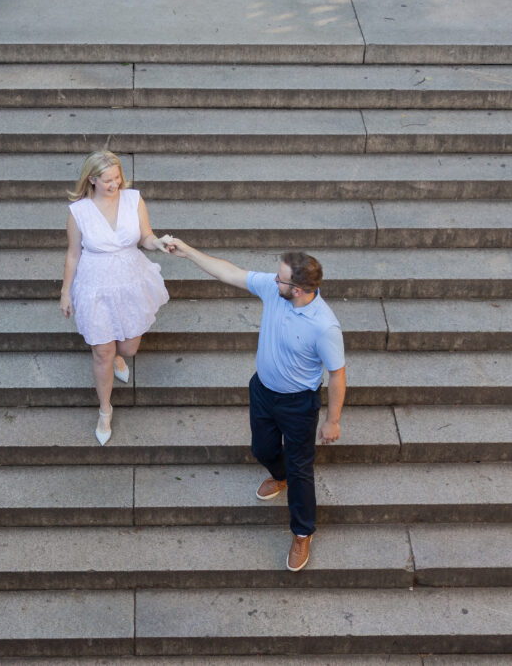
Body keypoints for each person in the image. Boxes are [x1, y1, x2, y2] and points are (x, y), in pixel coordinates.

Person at [165, 238, 346, 572]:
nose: (274, 280)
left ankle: (302, 532)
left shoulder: (324, 326)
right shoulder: (274, 290)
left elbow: (337, 375)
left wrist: (332, 420)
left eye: (281, 279)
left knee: (301, 469)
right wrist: (188, 252)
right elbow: (231, 273)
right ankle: (279, 475)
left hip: (297, 405)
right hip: (262, 391)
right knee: (262, 449)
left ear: (299, 289)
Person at [60, 151, 172, 444]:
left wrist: (156, 242)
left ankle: (119, 361)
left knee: (129, 348)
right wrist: (65, 292)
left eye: (117, 178)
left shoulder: (133, 199)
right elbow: (73, 254)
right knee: (102, 352)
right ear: (92, 179)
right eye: (108, 180)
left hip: (130, 280)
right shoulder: (79, 212)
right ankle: (105, 409)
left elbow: (145, 236)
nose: (114, 184)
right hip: (94, 283)